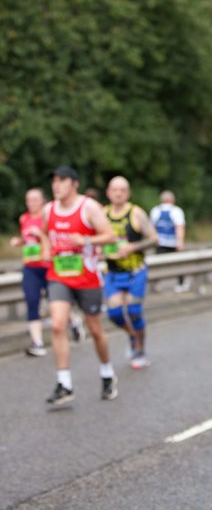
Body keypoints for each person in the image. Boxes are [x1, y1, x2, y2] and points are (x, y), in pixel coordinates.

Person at [42, 166, 119, 405]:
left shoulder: (89, 208)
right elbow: (46, 233)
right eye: (54, 181)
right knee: (57, 325)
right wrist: (46, 248)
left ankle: (107, 373)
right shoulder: (48, 210)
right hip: (59, 275)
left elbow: (110, 236)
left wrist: (85, 239)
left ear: (74, 184)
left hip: (87, 277)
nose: (56, 185)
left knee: (95, 330)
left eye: (62, 180)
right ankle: (64, 383)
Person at [103, 176, 158, 369]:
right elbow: (96, 241)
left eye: (122, 190)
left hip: (135, 271)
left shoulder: (136, 214)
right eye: (114, 189)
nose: (118, 193)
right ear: (108, 192)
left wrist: (132, 247)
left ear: (128, 193)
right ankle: (132, 335)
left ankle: (139, 349)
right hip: (112, 273)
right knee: (115, 313)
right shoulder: (102, 214)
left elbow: (154, 239)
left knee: (134, 311)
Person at [10, 188, 50, 356]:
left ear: (42, 201)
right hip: (31, 267)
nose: (31, 203)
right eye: (28, 200)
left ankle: (73, 321)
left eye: (35, 199)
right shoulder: (24, 218)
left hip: (48, 266)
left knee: (56, 303)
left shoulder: (49, 217)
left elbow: (53, 239)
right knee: (32, 301)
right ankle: (38, 343)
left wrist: (40, 234)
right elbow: (27, 240)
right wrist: (18, 241)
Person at [149, 190, 188, 292]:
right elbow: (179, 227)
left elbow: (151, 227)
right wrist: (181, 242)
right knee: (178, 265)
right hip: (173, 243)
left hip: (160, 243)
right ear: (173, 201)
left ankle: (156, 284)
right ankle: (181, 284)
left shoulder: (155, 210)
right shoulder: (176, 211)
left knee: (158, 265)